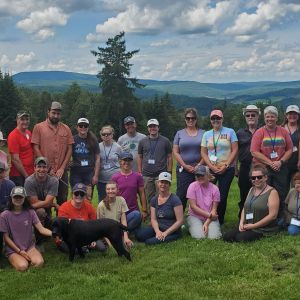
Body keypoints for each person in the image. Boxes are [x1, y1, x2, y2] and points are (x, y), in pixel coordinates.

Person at [250, 105, 293, 217]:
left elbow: (289, 149)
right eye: (268, 117)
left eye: (272, 116)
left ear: (277, 118)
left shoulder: (283, 131)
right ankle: (263, 217)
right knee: (263, 192)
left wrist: (280, 162)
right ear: (264, 118)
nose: (270, 119)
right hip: (263, 168)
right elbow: (254, 151)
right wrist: (270, 163)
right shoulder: (259, 132)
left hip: (281, 167)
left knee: (281, 192)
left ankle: (280, 218)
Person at [0, 186, 52, 271]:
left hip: (29, 247)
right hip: (13, 249)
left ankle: (29, 256)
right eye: (15, 196)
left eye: (20, 197)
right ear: (11, 198)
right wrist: (19, 251)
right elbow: (6, 238)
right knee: (22, 266)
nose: (18, 199)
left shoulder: (30, 212)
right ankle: (15, 257)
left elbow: (41, 229)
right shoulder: (4, 215)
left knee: (39, 263)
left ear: (24, 198)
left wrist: (54, 233)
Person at [31, 101, 74, 205]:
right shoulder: (38, 127)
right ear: (48, 112)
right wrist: (47, 168)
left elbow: (70, 149)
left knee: (62, 200)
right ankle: (46, 221)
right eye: (53, 112)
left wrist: (62, 168)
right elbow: (35, 147)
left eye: (58, 113)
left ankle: (61, 221)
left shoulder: (66, 128)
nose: (56, 115)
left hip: (61, 173)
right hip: (44, 172)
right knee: (45, 202)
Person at [223, 164, 279, 242]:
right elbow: (245, 208)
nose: (256, 180)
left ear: (265, 177)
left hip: (262, 228)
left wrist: (254, 226)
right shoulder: (251, 189)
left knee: (240, 238)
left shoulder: (272, 192)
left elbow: (273, 216)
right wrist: (241, 223)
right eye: (253, 178)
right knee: (227, 237)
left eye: (259, 177)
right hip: (248, 225)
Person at [201, 109, 238, 224]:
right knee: (207, 194)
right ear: (210, 120)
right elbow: (203, 152)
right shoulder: (206, 134)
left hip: (227, 169)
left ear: (222, 119)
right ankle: (206, 216)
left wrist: (226, 165)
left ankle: (219, 220)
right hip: (211, 169)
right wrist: (211, 167)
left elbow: (235, 149)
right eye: (213, 118)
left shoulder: (230, 132)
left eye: (218, 118)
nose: (216, 120)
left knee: (222, 194)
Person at [135, 172, 184, 245]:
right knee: (139, 236)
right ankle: (157, 235)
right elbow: (153, 219)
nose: (163, 185)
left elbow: (180, 221)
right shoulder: (154, 199)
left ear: (169, 185)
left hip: (172, 230)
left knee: (149, 242)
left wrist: (165, 233)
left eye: (166, 183)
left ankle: (170, 236)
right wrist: (157, 231)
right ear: (158, 183)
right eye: (161, 182)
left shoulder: (175, 200)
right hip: (159, 227)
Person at [57, 183, 106, 252]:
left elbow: (94, 225)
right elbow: (64, 229)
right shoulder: (64, 208)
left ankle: (85, 247)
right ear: (72, 194)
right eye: (76, 193)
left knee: (102, 248)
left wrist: (93, 238)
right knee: (76, 249)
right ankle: (84, 248)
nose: (79, 196)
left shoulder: (89, 206)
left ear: (85, 196)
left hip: (86, 234)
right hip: (70, 236)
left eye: (82, 194)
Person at [173, 108, 205, 210]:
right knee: (181, 194)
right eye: (188, 118)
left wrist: (199, 165)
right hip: (183, 169)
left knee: (200, 194)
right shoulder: (179, 133)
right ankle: (178, 218)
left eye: (193, 118)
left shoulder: (203, 133)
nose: (190, 120)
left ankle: (199, 216)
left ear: (196, 119)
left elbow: (206, 152)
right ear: (185, 119)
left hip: (200, 169)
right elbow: (175, 152)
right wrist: (184, 165)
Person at [24, 157, 59, 248]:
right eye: (39, 166)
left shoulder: (54, 181)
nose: (41, 169)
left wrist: (51, 203)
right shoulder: (29, 181)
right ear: (34, 168)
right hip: (32, 211)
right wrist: (53, 204)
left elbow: (47, 202)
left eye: (44, 167)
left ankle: (52, 232)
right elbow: (34, 203)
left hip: (45, 208)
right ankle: (39, 240)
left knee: (57, 210)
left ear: (48, 169)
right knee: (40, 211)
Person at [138, 119, 173, 203]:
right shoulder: (142, 141)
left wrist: (169, 171)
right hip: (146, 175)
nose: (152, 128)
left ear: (158, 128)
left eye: (154, 126)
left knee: (162, 196)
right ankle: (151, 215)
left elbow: (169, 157)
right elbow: (139, 157)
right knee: (149, 197)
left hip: (160, 174)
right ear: (148, 128)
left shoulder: (165, 141)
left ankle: (161, 215)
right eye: (150, 126)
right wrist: (140, 171)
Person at [112, 152, 147, 231]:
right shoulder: (115, 177)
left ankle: (123, 230)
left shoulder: (137, 176)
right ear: (120, 161)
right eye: (124, 160)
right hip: (120, 211)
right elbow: (112, 195)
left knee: (140, 235)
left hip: (133, 210)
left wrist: (144, 210)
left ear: (132, 162)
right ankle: (124, 231)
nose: (127, 162)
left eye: (129, 160)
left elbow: (142, 193)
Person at [236, 105, 261, 218]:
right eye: (248, 115)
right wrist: (235, 168)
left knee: (260, 192)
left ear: (258, 116)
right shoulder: (240, 133)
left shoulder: (263, 131)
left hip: (260, 167)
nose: (250, 117)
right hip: (245, 167)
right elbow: (235, 151)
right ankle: (243, 217)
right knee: (244, 193)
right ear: (245, 117)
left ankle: (258, 216)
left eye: (253, 115)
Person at [186, 165, 221, 239]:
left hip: (210, 217)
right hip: (195, 216)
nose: (199, 177)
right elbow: (193, 207)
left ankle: (201, 226)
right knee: (200, 236)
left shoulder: (215, 189)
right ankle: (191, 226)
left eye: (202, 175)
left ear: (208, 175)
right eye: (197, 175)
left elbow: (214, 209)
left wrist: (207, 223)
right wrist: (210, 216)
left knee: (214, 237)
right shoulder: (192, 186)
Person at [70, 118, 100, 200]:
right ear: (77, 127)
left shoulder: (93, 140)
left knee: (88, 197)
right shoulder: (73, 139)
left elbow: (97, 158)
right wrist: (68, 162)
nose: (83, 127)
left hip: (89, 173)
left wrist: (96, 175)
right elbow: (68, 153)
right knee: (76, 196)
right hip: (76, 173)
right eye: (80, 125)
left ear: (88, 127)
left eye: (85, 126)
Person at [97, 181, 133, 248]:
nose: (110, 191)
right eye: (108, 189)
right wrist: (111, 245)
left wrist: (126, 237)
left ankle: (124, 236)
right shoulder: (101, 205)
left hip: (118, 227)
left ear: (117, 190)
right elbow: (102, 228)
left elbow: (123, 219)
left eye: (113, 189)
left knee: (135, 215)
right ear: (105, 190)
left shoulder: (121, 200)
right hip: (107, 231)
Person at [7, 111, 34, 186]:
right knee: (21, 197)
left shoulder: (28, 132)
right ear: (17, 120)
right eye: (22, 119)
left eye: (27, 119)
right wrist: (26, 176)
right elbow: (15, 159)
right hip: (18, 175)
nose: (25, 122)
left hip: (30, 173)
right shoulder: (13, 136)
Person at [97, 125, 122, 201]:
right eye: (103, 134)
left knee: (115, 201)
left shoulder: (118, 147)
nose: (106, 136)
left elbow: (122, 162)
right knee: (102, 201)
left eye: (108, 134)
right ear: (101, 136)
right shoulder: (98, 146)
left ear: (112, 134)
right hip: (101, 180)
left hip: (115, 180)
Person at [0, 162, 15, 259]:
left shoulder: (10, 185)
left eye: (1, 171)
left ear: (5, 172)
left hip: (8, 216)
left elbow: (16, 205)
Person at [282, 105, 300, 186]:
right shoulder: (280, 129)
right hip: (283, 164)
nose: (292, 116)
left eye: (295, 114)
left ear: (298, 115)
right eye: (290, 114)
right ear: (286, 115)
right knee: (283, 189)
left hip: (297, 164)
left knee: (296, 188)